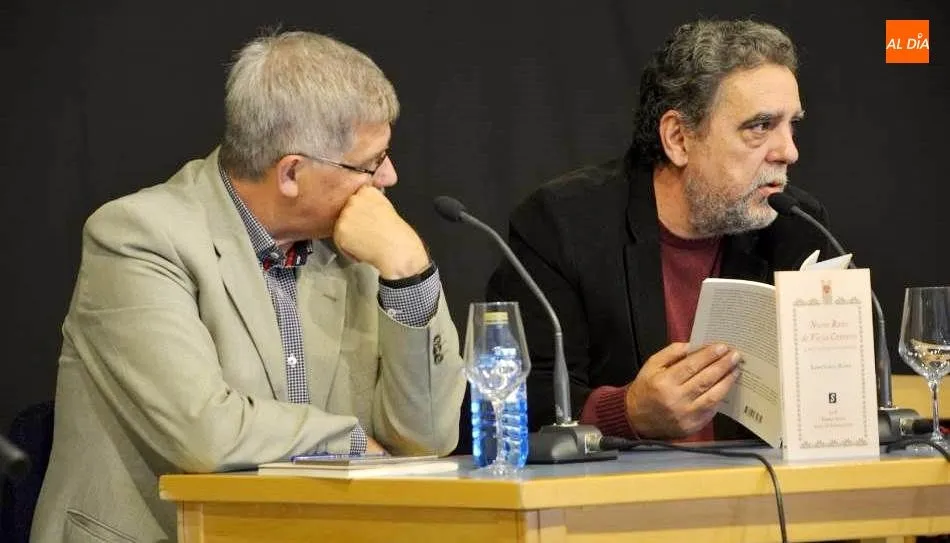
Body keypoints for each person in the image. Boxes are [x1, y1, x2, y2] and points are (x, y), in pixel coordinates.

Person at [31, 31, 466, 542]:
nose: (388, 177)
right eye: (370, 163)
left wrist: (409, 273)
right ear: (291, 173)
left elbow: (429, 439)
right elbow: (205, 434)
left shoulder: (360, 243)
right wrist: (349, 440)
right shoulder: (137, 237)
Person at [487, 19, 832, 442]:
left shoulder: (797, 226)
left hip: (760, 498)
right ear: (678, 138)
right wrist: (625, 412)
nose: (789, 151)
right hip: (611, 499)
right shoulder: (562, 224)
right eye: (760, 127)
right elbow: (517, 397)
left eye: (791, 125)